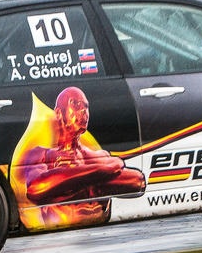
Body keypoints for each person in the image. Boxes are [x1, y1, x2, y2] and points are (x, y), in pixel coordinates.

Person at [20, 86, 144, 226]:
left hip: (101, 230)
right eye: (75, 103)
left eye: (86, 106)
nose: (83, 110)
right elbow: (35, 189)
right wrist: (103, 172)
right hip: (61, 231)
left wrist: (64, 185)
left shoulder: (99, 155)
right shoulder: (42, 154)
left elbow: (138, 182)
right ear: (59, 112)